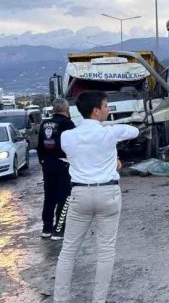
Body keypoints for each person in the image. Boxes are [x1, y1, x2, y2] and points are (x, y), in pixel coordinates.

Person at [53, 91, 139, 303]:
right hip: (108, 193)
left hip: (79, 193)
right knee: (106, 251)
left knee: (69, 250)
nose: (108, 110)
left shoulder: (67, 136)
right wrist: (110, 132)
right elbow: (135, 131)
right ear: (96, 111)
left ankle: (60, 299)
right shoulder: (109, 132)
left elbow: (77, 154)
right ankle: (98, 300)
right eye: (106, 106)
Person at [37, 98, 76, 240]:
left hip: (47, 164)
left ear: (53, 109)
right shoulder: (67, 123)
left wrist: (43, 161)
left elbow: (40, 146)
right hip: (63, 164)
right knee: (64, 197)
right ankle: (58, 230)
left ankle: (46, 228)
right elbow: (74, 144)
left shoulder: (44, 123)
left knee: (49, 197)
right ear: (66, 109)